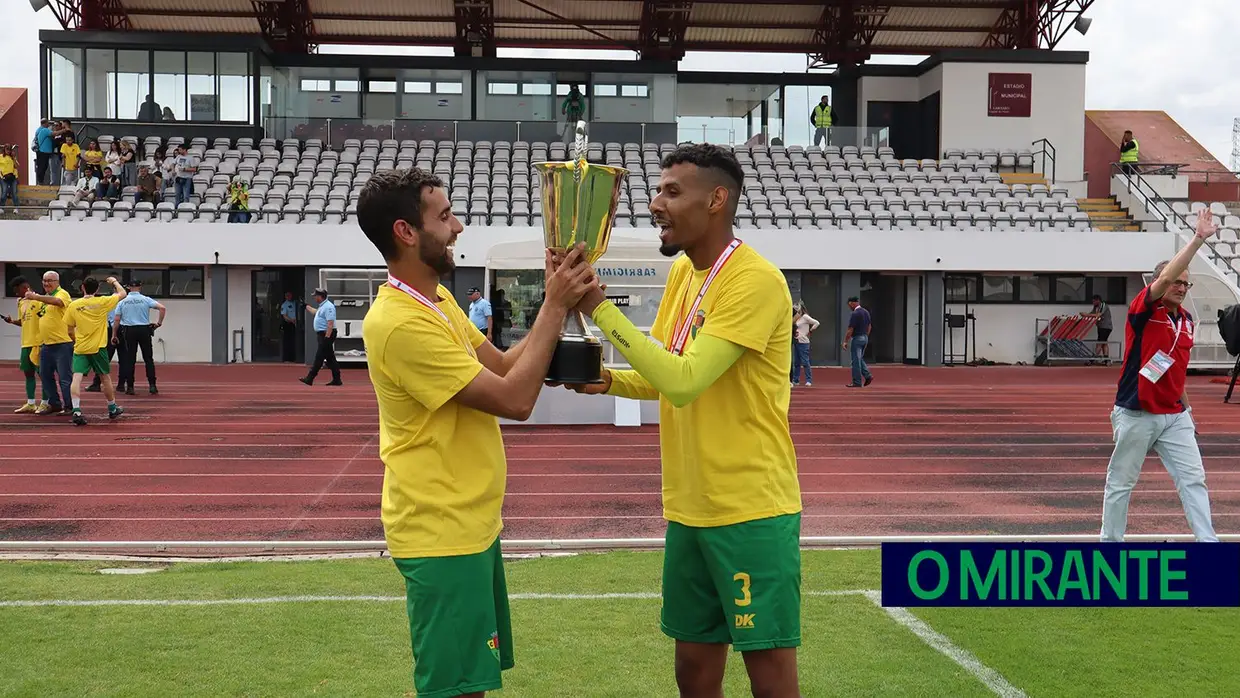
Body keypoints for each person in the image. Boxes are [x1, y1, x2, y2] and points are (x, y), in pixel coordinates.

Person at [550, 143, 802, 698]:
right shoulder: (686, 276)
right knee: (692, 664)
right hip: (690, 509)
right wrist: (609, 380)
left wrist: (597, 307)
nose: (656, 203)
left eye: (671, 191)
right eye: (657, 190)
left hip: (750, 509)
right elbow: (668, 370)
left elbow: (684, 380)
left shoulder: (754, 280)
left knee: (769, 671)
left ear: (717, 199)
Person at [355, 167, 597, 698]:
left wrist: (554, 301)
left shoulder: (438, 302)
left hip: (471, 523)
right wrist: (555, 304)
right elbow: (516, 400)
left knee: (473, 683)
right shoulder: (397, 322)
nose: (459, 226)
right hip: (439, 530)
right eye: (444, 216)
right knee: (454, 690)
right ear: (406, 232)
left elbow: (507, 366)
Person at [1101, 210, 1219, 543]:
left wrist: (1189, 412)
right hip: (1136, 412)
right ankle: (1110, 546)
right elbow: (1165, 280)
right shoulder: (1144, 310)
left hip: (1174, 416)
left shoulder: (1188, 323)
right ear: (1161, 283)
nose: (1181, 287)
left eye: (1186, 283)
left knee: (1194, 478)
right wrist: (1197, 239)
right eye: (1176, 282)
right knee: (1121, 481)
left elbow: (1177, 372)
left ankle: (1208, 546)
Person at [63, 276, 127, 426]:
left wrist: (75, 340)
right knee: (105, 377)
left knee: (76, 378)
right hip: (98, 347)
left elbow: (69, 329)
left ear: (82, 287)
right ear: (97, 289)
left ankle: (77, 410)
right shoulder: (102, 302)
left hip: (81, 347)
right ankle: (112, 408)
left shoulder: (74, 305)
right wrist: (114, 282)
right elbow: (123, 293)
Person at [26, 271, 74, 416]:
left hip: (62, 344)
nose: (46, 283)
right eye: (44, 281)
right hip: (46, 344)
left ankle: (70, 406)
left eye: (50, 280)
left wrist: (36, 296)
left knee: (65, 378)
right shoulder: (45, 299)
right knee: (45, 375)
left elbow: (58, 302)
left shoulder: (62, 294)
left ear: (57, 281)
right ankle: (55, 403)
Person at [2, 276, 50, 413]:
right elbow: (23, 322)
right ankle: (30, 403)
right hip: (26, 343)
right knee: (28, 374)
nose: (16, 294)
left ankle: (45, 403)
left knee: (43, 375)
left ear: (25, 287)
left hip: (38, 343)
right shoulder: (21, 302)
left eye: (17, 291)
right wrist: (12, 321)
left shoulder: (40, 300)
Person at [115, 279, 167, 395]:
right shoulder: (145, 299)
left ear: (128, 288)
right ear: (140, 287)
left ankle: (130, 387)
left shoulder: (123, 302)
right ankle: (152, 385)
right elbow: (162, 308)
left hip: (129, 330)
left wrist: (114, 334)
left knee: (130, 359)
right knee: (148, 358)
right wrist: (158, 323)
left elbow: (117, 319)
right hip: (144, 329)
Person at [300, 289, 342, 386]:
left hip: (326, 334)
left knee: (319, 357)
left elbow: (330, 323)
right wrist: (306, 306)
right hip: (323, 334)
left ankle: (310, 378)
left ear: (321, 296)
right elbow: (316, 313)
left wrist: (327, 337)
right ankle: (337, 379)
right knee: (330, 358)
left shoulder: (328, 307)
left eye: (315, 296)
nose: (314, 297)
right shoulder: (323, 306)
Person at [842, 296, 873, 388]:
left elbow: (850, 329)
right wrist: (866, 336)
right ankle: (867, 375)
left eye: (849, 305)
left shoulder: (855, 314)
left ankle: (857, 382)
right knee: (859, 358)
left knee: (855, 361)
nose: (849, 307)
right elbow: (869, 326)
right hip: (864, 337)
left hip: (857, 338)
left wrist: (845, 341)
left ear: (852, 303)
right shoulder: (866, 312)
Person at [791, 305, 819, 387]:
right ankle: (796, 380)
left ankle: (808, 380)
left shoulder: (805, 317)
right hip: (796, 341)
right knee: (797, 362)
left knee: (805, 361)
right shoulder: (796, 318)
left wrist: (810, 331)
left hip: (803, 342)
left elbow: (816, 323)